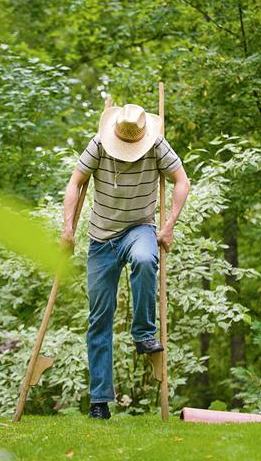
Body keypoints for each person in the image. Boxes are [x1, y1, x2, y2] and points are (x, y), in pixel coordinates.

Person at [62, 103, 190, 419]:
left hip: (139, 228)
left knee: (146, 259)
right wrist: (67, 228)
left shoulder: (156, 144)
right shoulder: (99, 144)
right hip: (101, 238)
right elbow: (76, 182)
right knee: (99, 318)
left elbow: (182, 181)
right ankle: (99, 401)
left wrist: (169, 225)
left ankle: (144, 333)